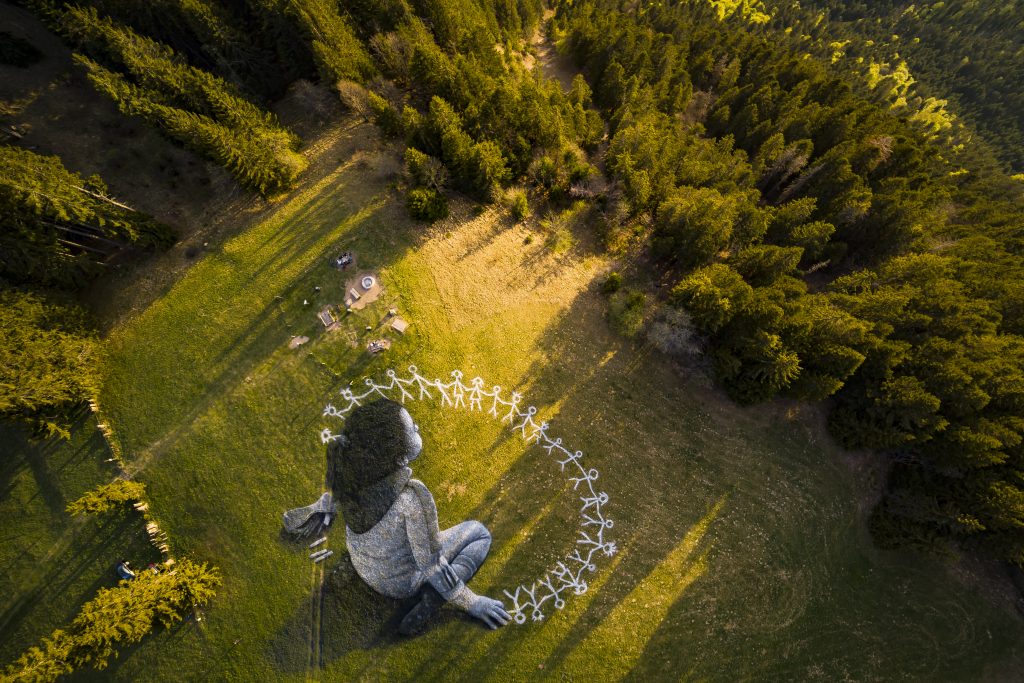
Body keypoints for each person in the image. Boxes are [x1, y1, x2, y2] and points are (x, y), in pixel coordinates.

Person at [284, 399, 510, 634]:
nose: (418, 427)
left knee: (389, 541)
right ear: (400, 457)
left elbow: (326, 504)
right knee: (479, 533)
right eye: (412, 428)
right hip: (401, 584)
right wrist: (472, 602)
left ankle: (363, 569)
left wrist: (314, 512)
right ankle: (433, 600)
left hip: (364, 568)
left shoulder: (350, 471)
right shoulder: (412, 497)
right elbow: (431, 564)